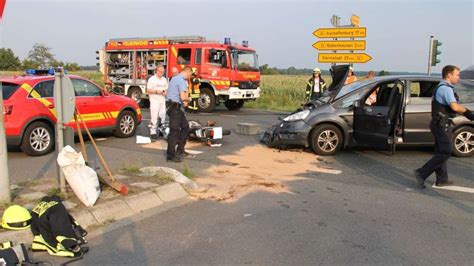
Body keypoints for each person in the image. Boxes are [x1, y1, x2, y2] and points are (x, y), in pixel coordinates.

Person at [414, 65, 474, 188]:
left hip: (439, 124)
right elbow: (455, 107)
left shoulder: (442, 87)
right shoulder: (445, 89)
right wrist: (469, 113)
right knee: (446, 151)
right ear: (449, 75)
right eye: (457, 74)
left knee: (440, 151)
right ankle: (421, 172)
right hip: (441, 125)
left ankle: (441, 179)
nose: (459, 77)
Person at [165, 66, 192, 162]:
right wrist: (189, 99)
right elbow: (183, 97)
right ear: (188, 73)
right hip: (175, 108)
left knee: (185, 127)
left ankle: (180, 150)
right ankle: (171, 155)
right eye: (190, 75)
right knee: (174, 131)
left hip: (174, 107)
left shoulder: (174, 78)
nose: (190, 77)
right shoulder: (181, 81)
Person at [147, 65, 168, 139]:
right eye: (160, 71)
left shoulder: (164, 79)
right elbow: (148, 90)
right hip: (154, 100)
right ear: (156, 71)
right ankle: (153, 131)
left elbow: (166, 89)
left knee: (163, 116)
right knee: (154, 116)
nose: (162, 73)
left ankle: (161, 130)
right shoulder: (152, 79)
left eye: (163, 72)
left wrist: (165, 92)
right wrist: (156, 91)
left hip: (162, 100)